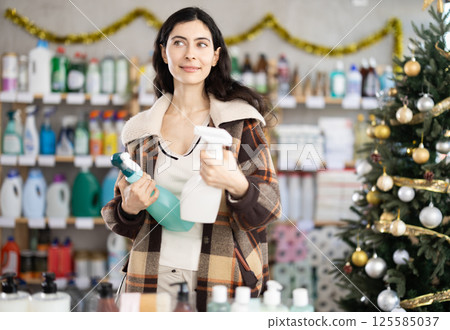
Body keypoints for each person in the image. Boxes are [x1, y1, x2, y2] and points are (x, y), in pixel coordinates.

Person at [102, 7, 281, 312]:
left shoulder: (240, 123)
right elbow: (120, 221)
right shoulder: (140, 131)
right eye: (179, 42)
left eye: (201, 44)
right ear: (163, 51)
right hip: (150, 277)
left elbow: (270, 208)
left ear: (215, 56)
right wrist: (129, 208)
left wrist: (236, 183)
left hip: (223, 279)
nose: (190, 54)